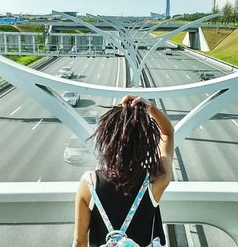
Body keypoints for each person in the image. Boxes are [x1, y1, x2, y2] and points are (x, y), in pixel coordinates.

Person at [73, 95, 174, 247]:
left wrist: (121, 116)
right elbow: (167, 133)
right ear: (145, 143)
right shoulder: (155, 180)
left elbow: (79, 241)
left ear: (108, 138)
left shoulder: (89, 183)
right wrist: (151, 107)